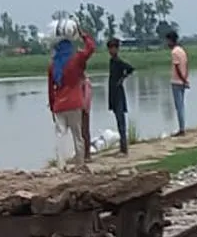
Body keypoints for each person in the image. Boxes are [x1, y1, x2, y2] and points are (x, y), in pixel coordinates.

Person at [48, 22, 95, 167]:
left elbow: (50, 89)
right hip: (75, 103)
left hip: (59, 105)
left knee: (60, 136)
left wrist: (52, 107)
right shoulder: (77, 59)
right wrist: (83, 35)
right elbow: (91, 48)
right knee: (77, 136)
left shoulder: (53, 65)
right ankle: (79, 164)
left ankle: (61, 165)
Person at [106, 36, 134, 155]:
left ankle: (124, 148)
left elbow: (130, 69)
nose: (111, 51)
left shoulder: (118, 61)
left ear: (117, 49)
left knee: (121, 120)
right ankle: (123, 147)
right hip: (113, 92)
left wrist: (122, 79)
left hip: (118, 93)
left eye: (113, 48)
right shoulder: (112, 61)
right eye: (109, 48)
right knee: (118, 120)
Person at [165, 29, 190, 135]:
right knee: (181, 106)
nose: (167, 43)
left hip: (177, 81)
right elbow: (186, 66)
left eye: (167, 41)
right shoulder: (182, 51)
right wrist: (186, 79)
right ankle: (182, 127)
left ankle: (181, 129)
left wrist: (183, 79)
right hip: (182, 81)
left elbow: (177, 68)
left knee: (179, 106)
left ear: (171, 40)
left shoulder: (174, 52)